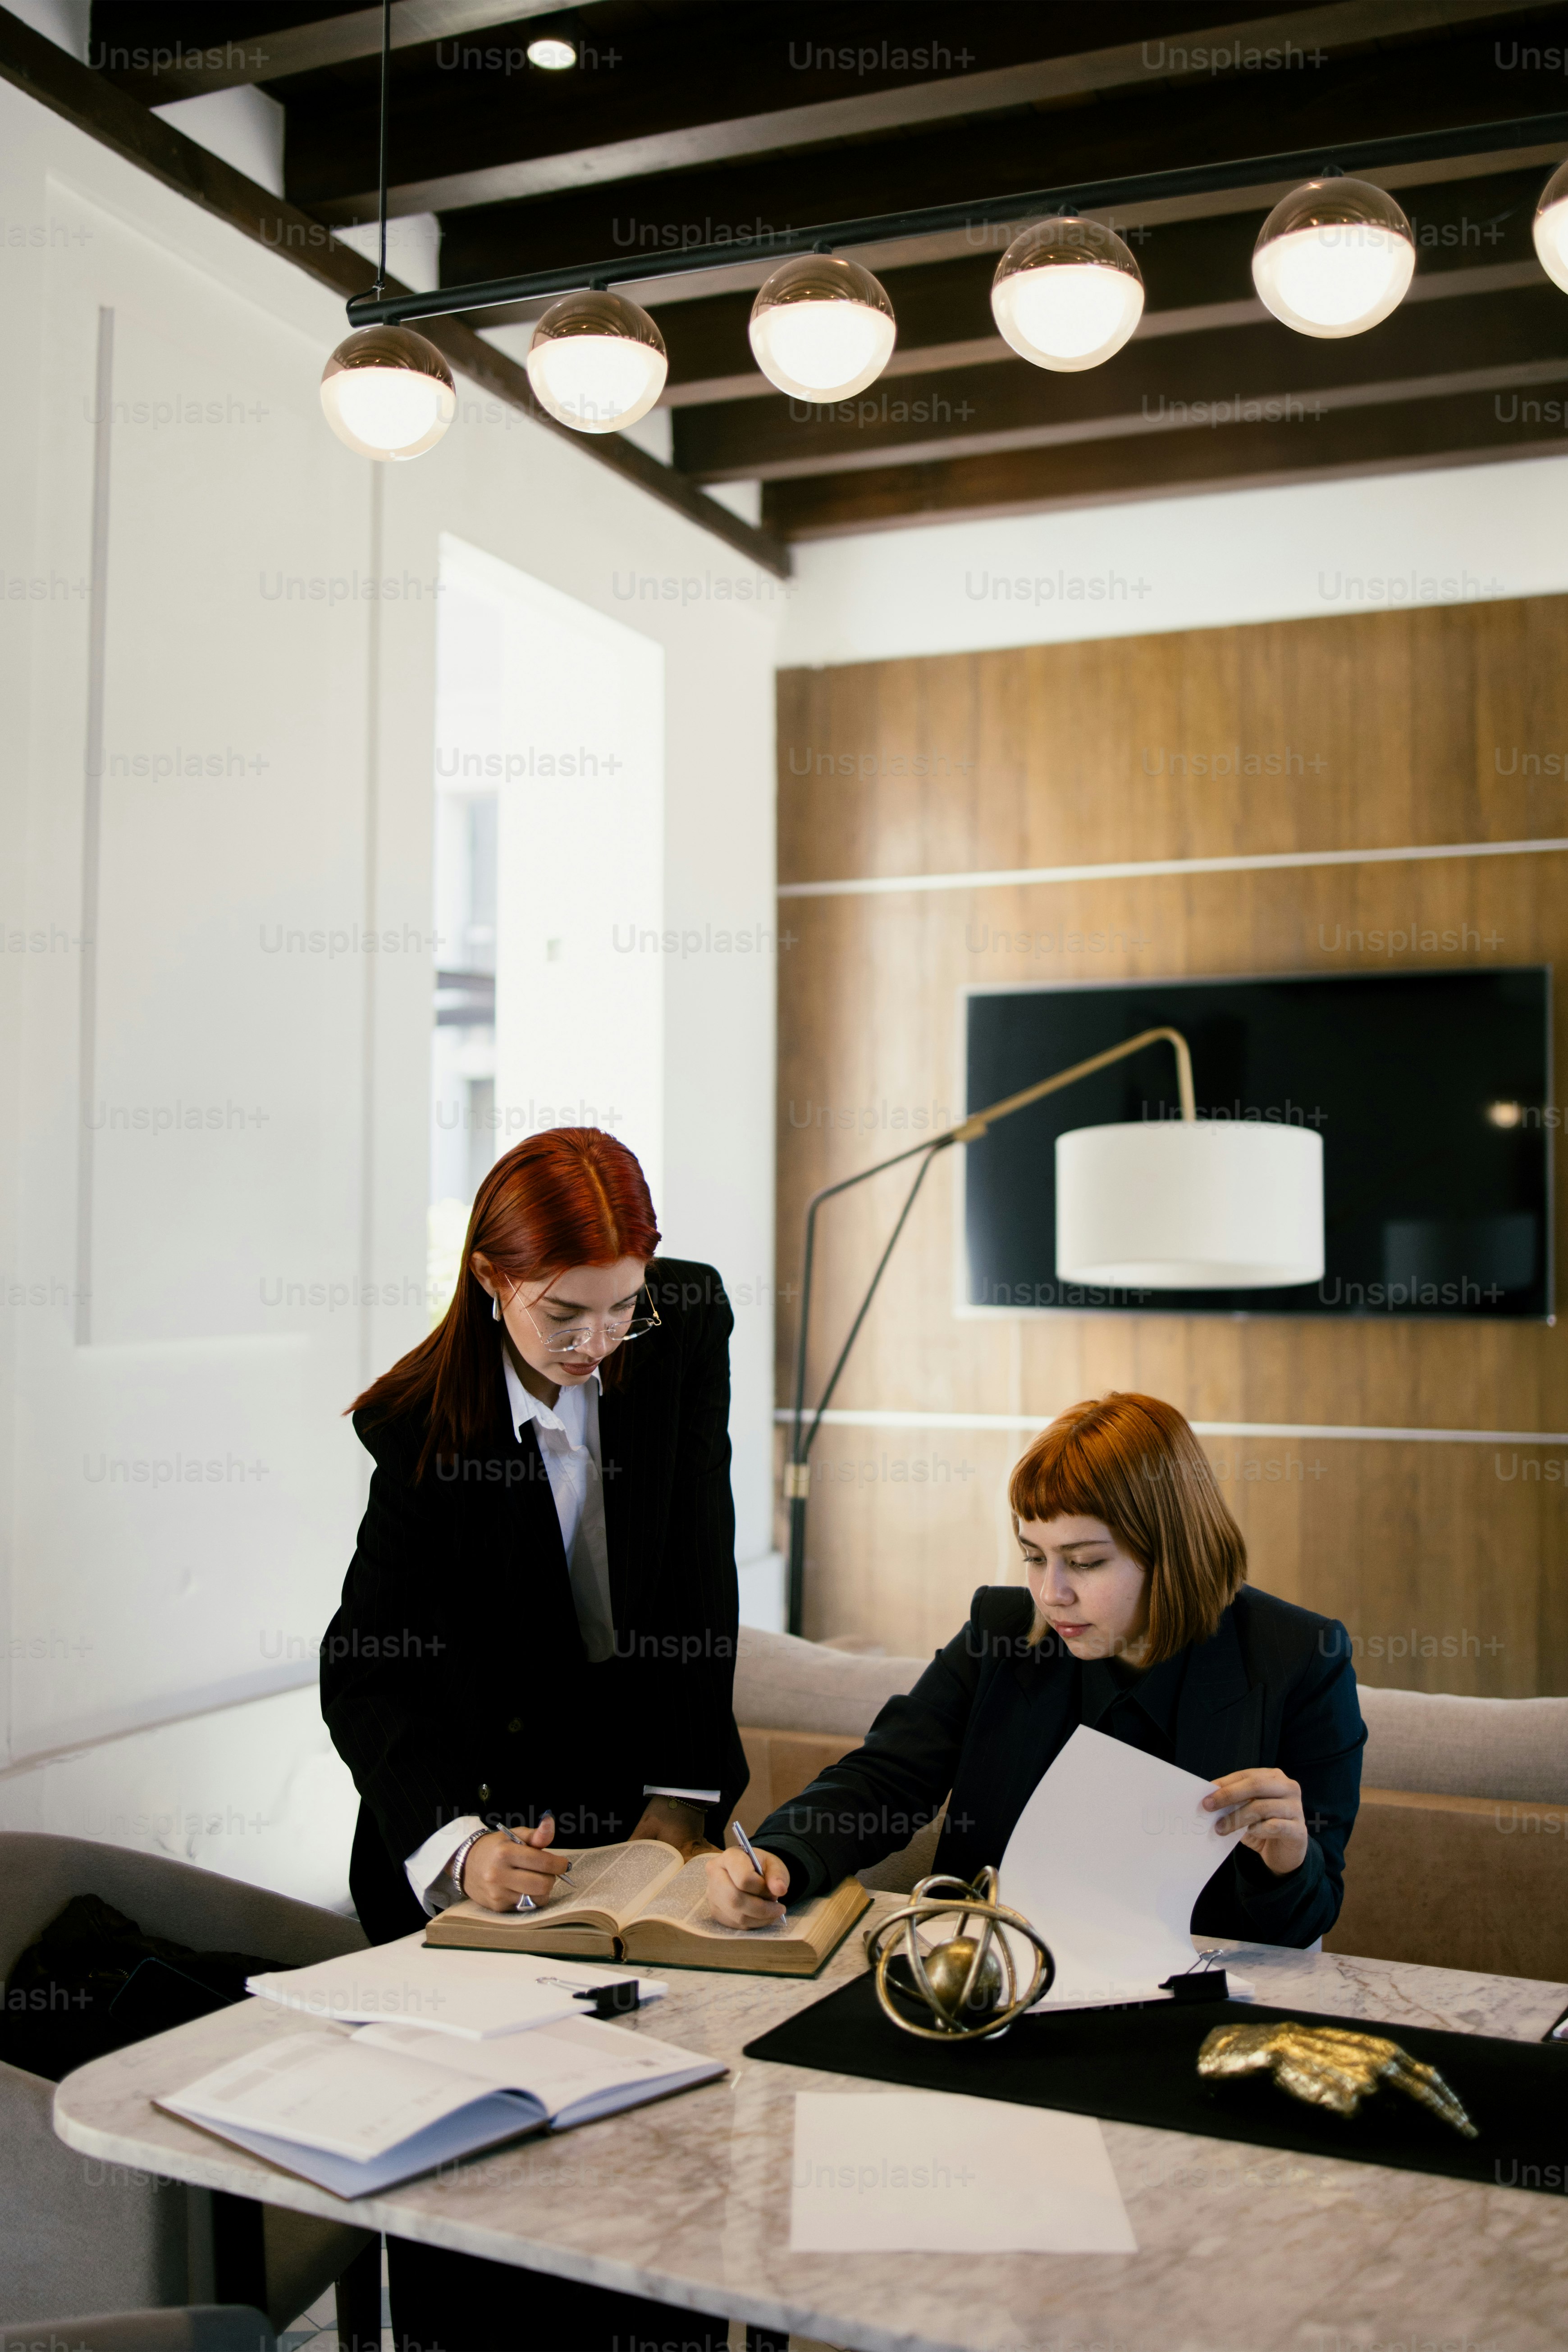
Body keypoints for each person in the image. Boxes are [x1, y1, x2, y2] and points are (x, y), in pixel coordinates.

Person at [321, 1125, 744, 2352]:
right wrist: (459, 1846)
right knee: (491, 2176)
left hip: (634, 1792)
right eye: (565, 1315)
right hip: (486, 1811)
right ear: (490, 1278)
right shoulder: (419, 1427)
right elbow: (365, 1669)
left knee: (662, 2140)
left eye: (620, 1308)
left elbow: (698, 1570)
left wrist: (682, 1797)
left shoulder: (681, 1325)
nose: (598, 1343)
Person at [706, 1391, 1364, 1950]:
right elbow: (885, 1780)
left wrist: (1288, 1862)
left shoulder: (1300, 1659)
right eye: (1033, 1556)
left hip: (1188, 1998)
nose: (1051, 1594)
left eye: (1084, 1562)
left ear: (1171, 1551)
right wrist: (781, 1855)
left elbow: (1305, 1921)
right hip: (988, 1979)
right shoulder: (1002, 1632)